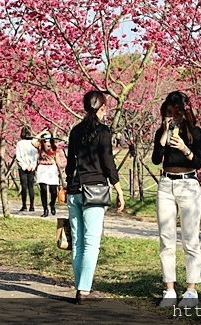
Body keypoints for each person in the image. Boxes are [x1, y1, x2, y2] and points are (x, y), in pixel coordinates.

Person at [65, 91, 125, 304]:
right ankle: (84, 290)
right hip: (95, 190)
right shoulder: (103, 131)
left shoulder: (75, 131)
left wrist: (68, 184)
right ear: (102, 107)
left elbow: (70, 164)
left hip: (74, 189)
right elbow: (108, 163)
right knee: (91, 243)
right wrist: (119, 190)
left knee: (78, 243)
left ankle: (79, 288)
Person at [152, 91, 201, 308]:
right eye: (168, 114)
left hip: (188, 184)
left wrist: (185, 148)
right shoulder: (161, 132)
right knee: (166, 240)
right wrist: (164, 135)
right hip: (166, 185)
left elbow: (199, 162)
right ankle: (170, 289)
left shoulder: (196, 132)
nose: (172, 118)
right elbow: (156, 159)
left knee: (190, 239)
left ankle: (191, 290)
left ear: (185, 112)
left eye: (176, 113)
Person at [36, 130, 62, 217]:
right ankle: (45, 209)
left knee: (53, 191)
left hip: (52, 168)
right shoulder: (40, 147)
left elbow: (57, 159)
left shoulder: (54, 147)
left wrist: (60, 168)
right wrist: (42, 132)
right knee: (43, 190)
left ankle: (52, 204)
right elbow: (33, 141)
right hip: (42, 168)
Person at [15, 126, 39, 212]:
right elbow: (36, 156)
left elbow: (18, 157)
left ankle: (24, 205)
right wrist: (32, 166)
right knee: (31, 186)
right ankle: (32, 205)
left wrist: (24, 166)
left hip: (22, 168)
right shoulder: (33, 143)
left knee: (24, 186)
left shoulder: (19, 144)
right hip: (31, 167)